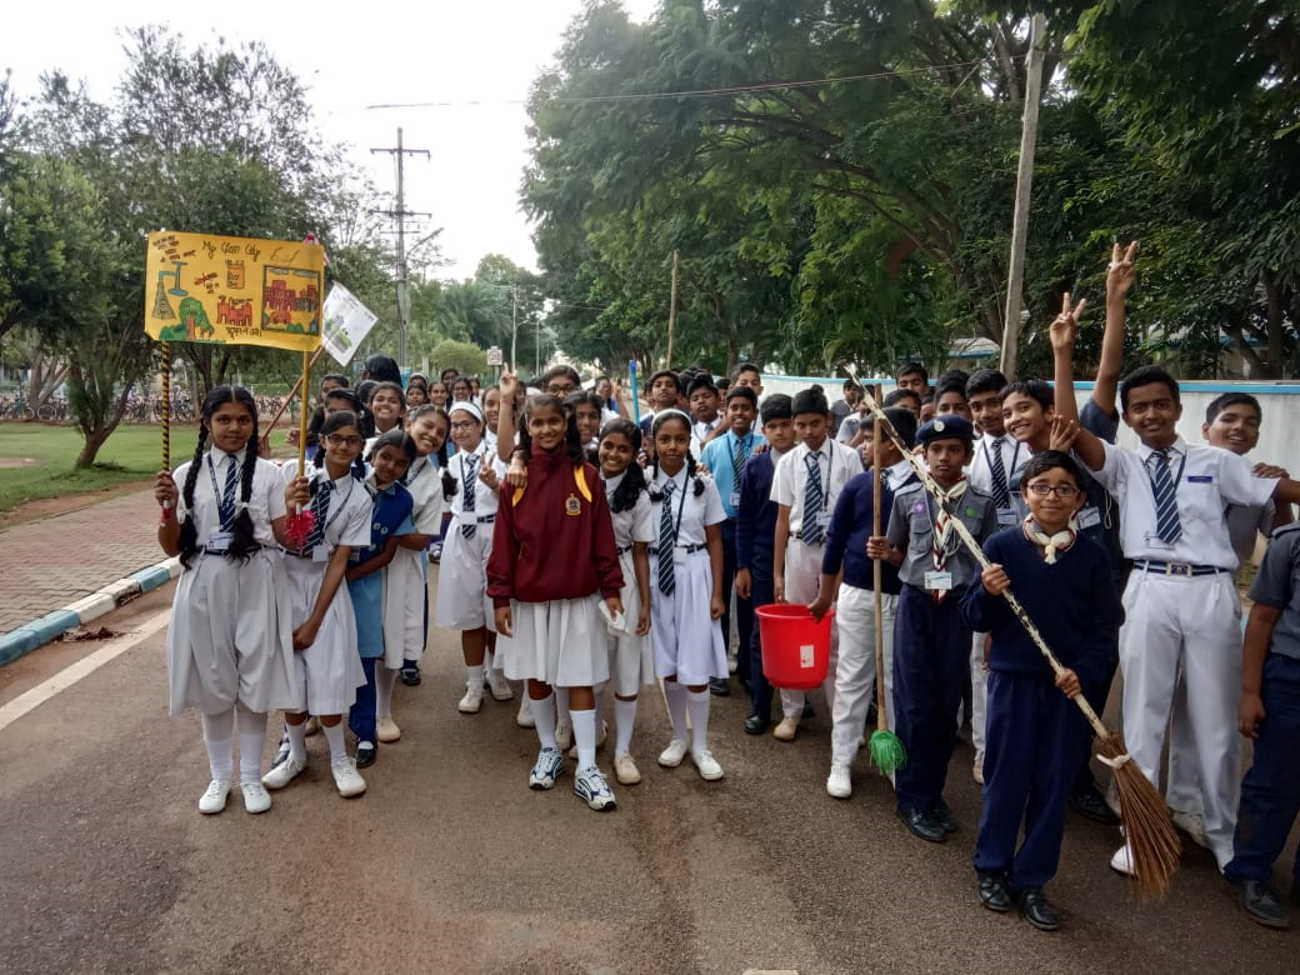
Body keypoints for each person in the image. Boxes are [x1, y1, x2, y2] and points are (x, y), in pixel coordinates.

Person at [1059, 360, 1300, 877]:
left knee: (1215, 722)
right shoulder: (1122, 464)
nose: (1151, 414)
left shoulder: (1214, 460)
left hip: (1210, 589)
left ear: (1178, 408)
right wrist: (1063, 353)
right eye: (1140, 407)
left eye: (1160, 404)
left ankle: (1220, 831)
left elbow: (1280, 493)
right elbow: (1069, 432)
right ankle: (1139, 832)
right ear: (1127, 415)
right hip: (1149, 585)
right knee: (1144, 716)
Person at [963, 451, 1122, 932]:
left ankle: (1033, 878)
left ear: (1079, 499)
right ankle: (992, 867)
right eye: (1041, 486)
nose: (1052, 496)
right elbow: (974, 617)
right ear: (1024, 493)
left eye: (1064, 488)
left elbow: (1105, 628)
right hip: (1014, 681)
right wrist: (987, 592)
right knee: (1006, 775)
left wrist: (1084, 672)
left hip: (1067, 690)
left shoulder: (1093, 557)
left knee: (1054, 785)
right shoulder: (1002, 546)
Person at [154, 385, 300, 815]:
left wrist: (294, 508)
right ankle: (220, 777)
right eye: (224, 420)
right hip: (206, 580)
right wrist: (167, 508)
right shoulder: (185, 476)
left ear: (254, 424)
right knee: (214, 680)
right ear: (206, 423)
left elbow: (288, 540)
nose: (234, 428)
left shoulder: (271, 475)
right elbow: (170, 546)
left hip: (258, 579)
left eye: (243, 420)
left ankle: (252, 777)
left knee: (255, 678)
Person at [488, 393, 625, 810]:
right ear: (528, 429)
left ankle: (586, 766)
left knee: (580, 679)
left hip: (578, 598)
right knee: (538, 677)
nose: (546, 430)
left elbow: (603, 536)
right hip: (530, 600)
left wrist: (613, 588)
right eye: (538, 423)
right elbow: (504, 545)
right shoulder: (517, 479)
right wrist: (500, 596)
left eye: (553, 422)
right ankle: (548, 749)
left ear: (565, 424)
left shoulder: (586, 476)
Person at [868, 414, 999, 842]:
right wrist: (883, 551)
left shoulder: (981, 503)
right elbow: (898, 552)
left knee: (946, 707)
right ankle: (911, 797)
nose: (944, 457)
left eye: (954, 449)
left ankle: (934, 791)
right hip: (917, 606)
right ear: (922, 454)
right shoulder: (908, 498)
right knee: (913, 703)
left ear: (967, 454)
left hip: (957, 609)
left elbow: (988, 563)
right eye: (936, 450)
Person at [262, 411, 372, 799]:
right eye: (336, 438)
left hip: (324, 588)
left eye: (353, 440)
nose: (343, 446)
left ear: (361, 447)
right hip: (284, 583)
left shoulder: (360, 497)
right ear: (322, 440)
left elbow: (341, 560)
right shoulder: (293, 474)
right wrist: (290, 505)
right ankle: (294, 754)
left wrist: (313, 621)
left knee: (328, 675)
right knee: (290, 678)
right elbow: (275, 530)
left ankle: (340, 758)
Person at [814, 406, 917, 799]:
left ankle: (889, 757)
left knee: (893, 678)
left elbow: (929, 550)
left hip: (902, 596)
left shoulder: (920, 488)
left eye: (871, 438)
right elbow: (836, 541)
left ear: (893, 443)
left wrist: (894, 555)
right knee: (853, 677)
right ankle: (841, 759)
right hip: (858, 593)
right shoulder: (859, 486)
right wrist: (826, 593)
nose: (863, 446)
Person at [770, 388, 865, 741]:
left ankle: (842, 719)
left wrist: (844, 562)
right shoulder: (788, 462)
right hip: (798, 549)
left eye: (814, 423)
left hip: (835, 551)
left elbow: (856, 517)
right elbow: (781, 519)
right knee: (794, 630)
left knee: (838, 634)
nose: (808, 431)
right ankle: (792, 712)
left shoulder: (848, 458)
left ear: (828, 421)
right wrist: (778, 572)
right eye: (801, 425)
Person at [1223, 520, 1300, 929]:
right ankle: (1251, 873)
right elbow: (1264, 617)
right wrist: (1250, 692)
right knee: (1274, 783)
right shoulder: (1292, 542)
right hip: (1291, 678)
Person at [645, 409, 729, 780]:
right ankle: (678, 737)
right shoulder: (643, 482)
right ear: (653, 442)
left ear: (689, 442)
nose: (673, 446)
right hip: (655, 573)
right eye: (665, 439)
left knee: (695, 663)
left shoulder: (703, 485)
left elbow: (715, 540)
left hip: (694, 574)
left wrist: (717, 592)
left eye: (680, 439)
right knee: (669, 664)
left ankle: (701, 744)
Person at [964, 368, 1025, 786]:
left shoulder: (1031, 446)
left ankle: (1024, 750)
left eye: (993, 403)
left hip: (1034, 564)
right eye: (977, 406)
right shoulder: (969, 455)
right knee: (982, 663)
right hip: (986, 571)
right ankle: (986, 751)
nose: (987, 413)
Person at [434, 400, 513, 714]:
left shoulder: (498, 458)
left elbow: (511, 500)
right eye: (455, 425)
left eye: (467, 423)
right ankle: (474, 681)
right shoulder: (449, 465)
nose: (460, 430)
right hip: (461, 537)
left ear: (481, 426)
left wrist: (495, 485)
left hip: (493, 532)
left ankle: (497, 673)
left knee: (495, 608)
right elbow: (444, 503)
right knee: (469, 613)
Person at [346, 430, 417, 770]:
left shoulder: (402, 500)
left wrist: (348, 577)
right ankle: (299, 731)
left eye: (400, 464)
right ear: (373, 454)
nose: (390, 467)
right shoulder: (348, 479)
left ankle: (364, 732)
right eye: (385, 457)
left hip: (362, 583)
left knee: (364, 655)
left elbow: (387, 554)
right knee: (320, 652)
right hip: (322, 581)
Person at [597, 419, 656, 785]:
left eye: (623, 449)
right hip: (586, 578)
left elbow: (640, 553)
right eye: (608, 445)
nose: (613, 454)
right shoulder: (584, 479)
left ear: (635, 455)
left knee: (626, 664)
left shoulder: (640, 494)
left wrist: (646, 604)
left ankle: (623, 750)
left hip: (624, 579)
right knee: (590, 663)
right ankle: (593, 732)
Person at [735, 394, 795, 734]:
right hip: (760, 559)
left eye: (786, 425)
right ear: (764, 430)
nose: (780, 433)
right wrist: (742, 566)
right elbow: (744, 518)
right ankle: (761, 704)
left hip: (798, 555)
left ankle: (794, 698)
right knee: (762, 633)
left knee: (797, 628)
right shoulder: (756, 467)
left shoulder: (804, 463)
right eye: (772, 427)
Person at [699, 385, 764, 695]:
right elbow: (702, 488)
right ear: (725, 411)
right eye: (734, 407)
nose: (740, 413)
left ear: (754, 413)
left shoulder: (763, 447)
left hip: (751, 529)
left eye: (746, 408)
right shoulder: (712, 448)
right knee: (719, 599)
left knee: (749, 601)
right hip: (720, 529)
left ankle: (749, 669)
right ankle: (717, 668)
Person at [388, 405, 453, 695]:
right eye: (427, 426)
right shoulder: (370, 451)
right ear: (409, 422)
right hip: (356, 558)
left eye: (440, 433)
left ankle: (383, 707)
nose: (433, 435)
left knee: (396, 628)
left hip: (401, 561)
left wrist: (383, 528)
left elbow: (423, 539)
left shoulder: (431, 481)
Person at [639, 370, 683, 440]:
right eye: (658, 385)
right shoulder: (641, 423)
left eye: (669, 385)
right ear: (650, 394)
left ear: (678, 394)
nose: (663, 388)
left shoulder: (685, 421)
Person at [687, 374, 723, 448]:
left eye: (706, 396)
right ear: (689, 406)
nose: (701, 401)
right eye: (695, 399)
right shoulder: (688, 434)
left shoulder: (732, 428)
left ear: (718, 399)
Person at [565, 390, 605, 455]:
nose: (587, 423)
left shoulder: (604, 452)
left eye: (593, 416)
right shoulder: (555, 452)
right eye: (579, 416)